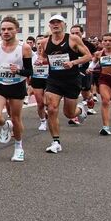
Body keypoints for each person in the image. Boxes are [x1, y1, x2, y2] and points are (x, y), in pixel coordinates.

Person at [37, 14, 93, 153]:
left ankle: (81, 110)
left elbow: (88, 56)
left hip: (71, 80)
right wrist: (40, 61)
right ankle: (56, 141)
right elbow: (43, 57)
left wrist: (73, 62)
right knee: (51, 108)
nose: (55, 25)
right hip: (54, 79)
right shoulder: (45, 42)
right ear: (49, 26)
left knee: (69, 113)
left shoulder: (73, 39)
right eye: (52, 23)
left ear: (64, 25)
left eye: (58, 22)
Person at [0, 17, 33, 161]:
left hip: (17, 85)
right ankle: (6, 125)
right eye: (3, 29)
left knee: (16, 118)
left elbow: (29, 71)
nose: (6, 32)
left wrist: (18, 70)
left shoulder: (24, 48)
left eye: (9, 29)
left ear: (16, 30)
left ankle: (18, 148)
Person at [30, 35, 50, 131]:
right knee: (40, 103)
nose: (40, 45)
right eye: (38, 43)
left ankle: (48, 112)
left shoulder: (50, 55)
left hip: (49, 80)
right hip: (36, 79)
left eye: (42, 43)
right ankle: (42, 121)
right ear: (35, 44)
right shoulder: (32, 55)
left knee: (47, 102)